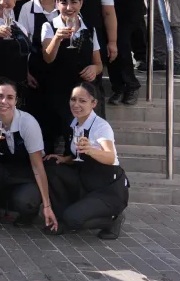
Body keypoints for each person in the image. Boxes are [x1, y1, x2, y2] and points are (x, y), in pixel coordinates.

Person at [44, 82, 129, 240]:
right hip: (86, 181)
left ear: (94, 103)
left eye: (82, 101)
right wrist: (64, 159)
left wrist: (91, 150)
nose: (76, 105)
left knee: (73, 219)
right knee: (51, 166)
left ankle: (112, 221)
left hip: (107, 189)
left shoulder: (101, 127)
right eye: (73, 99)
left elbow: (110, 157)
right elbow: (78, 156)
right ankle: (62, 217)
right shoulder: (74, 123)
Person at [0, 80, 57, 237]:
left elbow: (38, 166)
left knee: (26, 201)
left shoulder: (28, 123)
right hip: (0, 174)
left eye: (10, 97)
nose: (4, 102)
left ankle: (27, 215)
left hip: (24, 176)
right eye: (0, 96)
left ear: (16, 101)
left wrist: (47, 205)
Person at [40, 0, 104, 153]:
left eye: (74, 2)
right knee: (53, 137)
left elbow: (99, 64)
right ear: (57, 4)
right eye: (64, 3)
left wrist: (93, 69)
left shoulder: (89, 29)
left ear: (81, 3)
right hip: (56, 92)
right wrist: (57, 38)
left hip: (82, 94)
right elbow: (48, 58)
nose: (69, 8)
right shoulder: (48, 26)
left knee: (80, 139)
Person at [60, 0, 118, 100]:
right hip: (62, 42)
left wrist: (112, 41)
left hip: (92, 43)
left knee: (91, 88)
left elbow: (109, 13)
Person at [18, 0, 60, 117]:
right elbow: (21, 45)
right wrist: (25, 72)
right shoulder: (26, 8)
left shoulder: (65, 5)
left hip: (61, 70)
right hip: (36, 74)